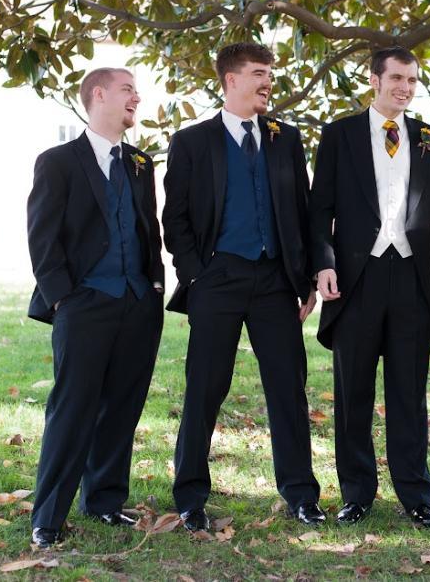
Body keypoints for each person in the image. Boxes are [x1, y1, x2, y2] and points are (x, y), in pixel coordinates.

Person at [309, 46, 430, 526]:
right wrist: (322, 264)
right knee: (353, 395)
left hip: (410, 279)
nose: (405, 88)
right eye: (397, 79)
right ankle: (357, 494)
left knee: (409, 393)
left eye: (412, 80)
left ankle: (415, 496)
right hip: (355, 280)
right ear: (374, 79)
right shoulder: (339, 134)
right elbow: (319, 207)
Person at [162, 42, 323, 532]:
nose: (267, 81)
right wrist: (197, 273)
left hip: (276, 281)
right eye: (259, 73)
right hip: (218, 279)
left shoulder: (285, 139)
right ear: (231, 80)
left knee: (288, 388)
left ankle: (300, 494)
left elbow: (304, 213)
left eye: (269, 73)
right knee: (205, 388)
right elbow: (177, 218)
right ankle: (190, 497)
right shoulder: (192, 142)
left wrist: (308, 276)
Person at [26, 68, 165, 549]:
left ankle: (104, 501)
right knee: (72, 410)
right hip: (84, 304)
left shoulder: (142, 164)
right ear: (99, 95)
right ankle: (48, 516)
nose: (137, 98)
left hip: (137, 304)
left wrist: (154, 287)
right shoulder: (59, 162)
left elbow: (148, 229)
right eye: (128, 89)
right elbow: (42, 237)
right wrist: (64, 295)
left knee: (122, 408)